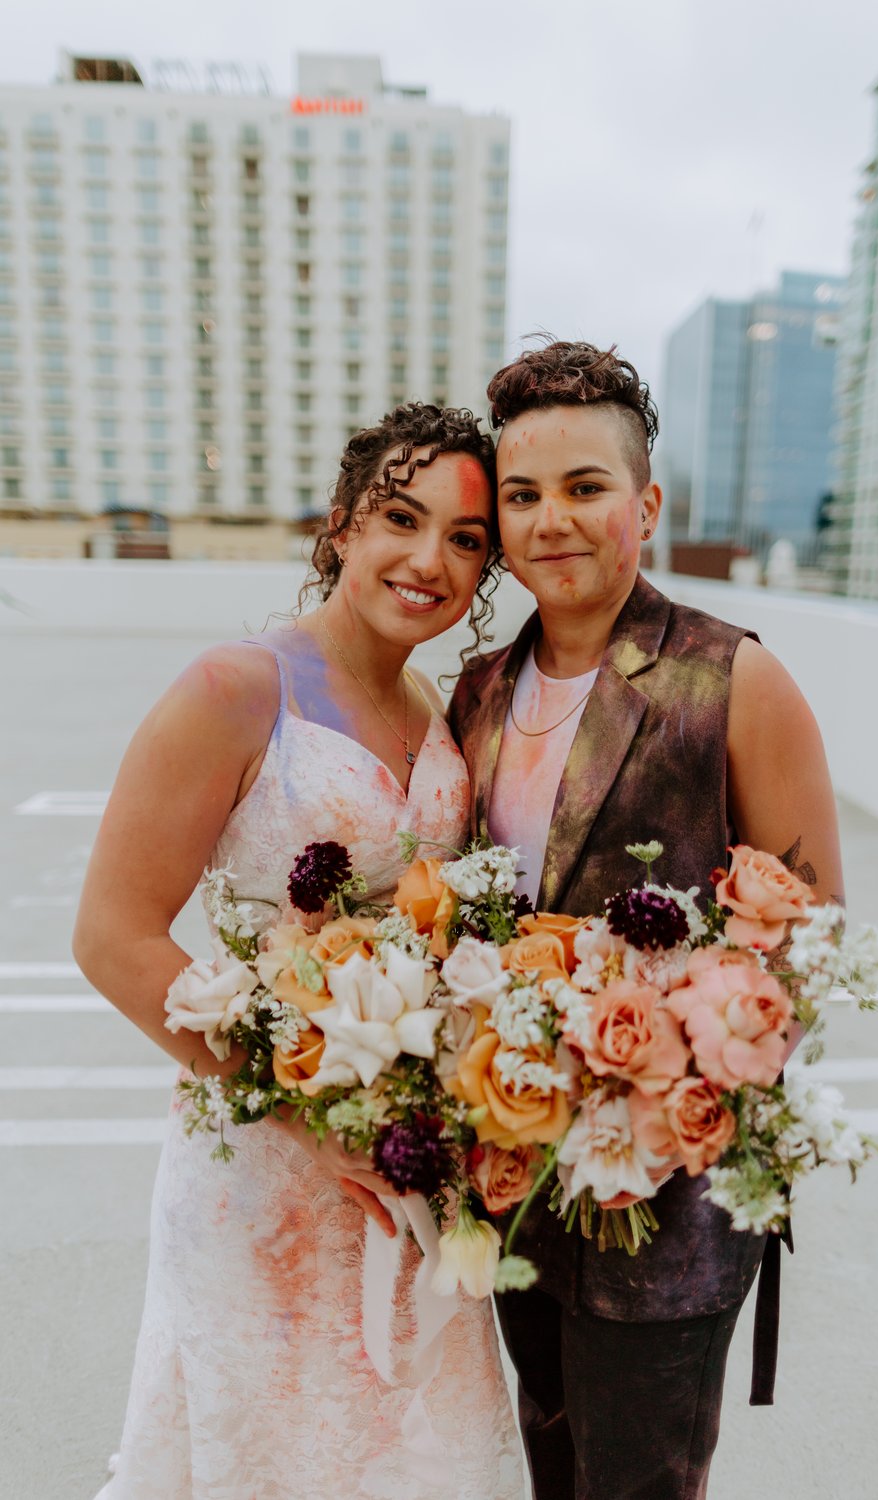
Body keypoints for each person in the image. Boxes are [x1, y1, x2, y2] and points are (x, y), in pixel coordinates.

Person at [73, 404, 524, 1500]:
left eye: (465, 541)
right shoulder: (235, 689)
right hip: (263, 1163)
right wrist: (309, 1117)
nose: (429, 561)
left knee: (407, 1449)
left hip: (409, 1164)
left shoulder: (435, 707)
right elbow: (111, 934)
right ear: (339, 527)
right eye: (399, 519)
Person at [449, 341, 844, 1500]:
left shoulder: (732, 680)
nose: (550, 520)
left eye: (585, 488)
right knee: (550, 1466)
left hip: (664, 1201)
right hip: (512, 1176)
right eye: (522, 495)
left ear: (647, 503)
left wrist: (672, 1085)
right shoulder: (476, 691)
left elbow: (811, 933)